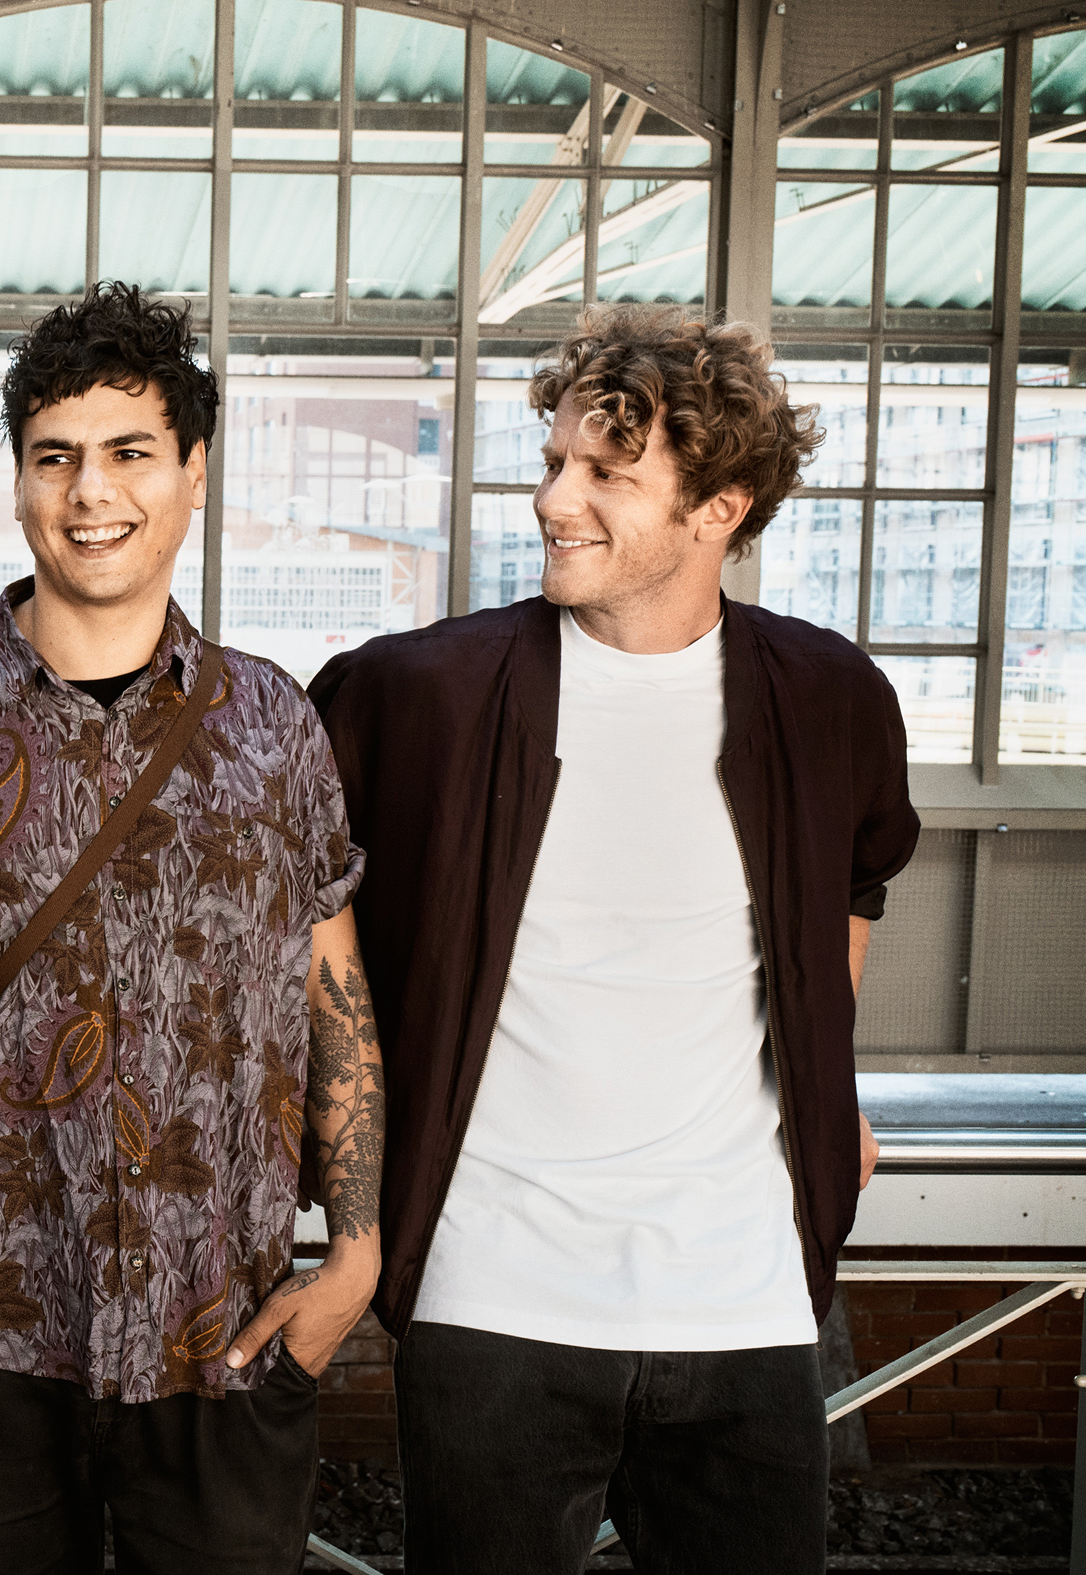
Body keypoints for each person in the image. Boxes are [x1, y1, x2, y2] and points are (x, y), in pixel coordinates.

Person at [311, 304, 919, 1575]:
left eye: (607, 475)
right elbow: (313, 921)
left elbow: (854, 886)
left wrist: (830, 1077)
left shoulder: (826, 698)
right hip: (493, 1296)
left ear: (720, 510)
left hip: (745, 1300)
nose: (553, 501)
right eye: (553, 463)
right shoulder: (418, 692)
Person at [0, 281, 385, 1574]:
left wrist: (355, 1251)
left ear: (192, 474)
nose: (90, 491)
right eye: (54, 456)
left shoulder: (271, 724)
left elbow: (330, 992)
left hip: (220, 1320)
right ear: (16, 481)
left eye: (129, 452)